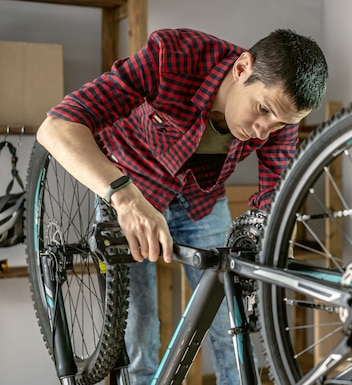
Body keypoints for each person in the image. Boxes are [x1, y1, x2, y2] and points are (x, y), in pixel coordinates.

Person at [36, 28, 328, 385]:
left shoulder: (279, 110)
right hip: (130, 190)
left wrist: (261, 238)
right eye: (262, 110)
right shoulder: (171, 58)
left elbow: (276, 196)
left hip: (201, 201)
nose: (263, 131)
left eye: (281, 123)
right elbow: (56, 127)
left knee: (232, 329)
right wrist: (124, 197)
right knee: (140, 336)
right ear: (241, 69)